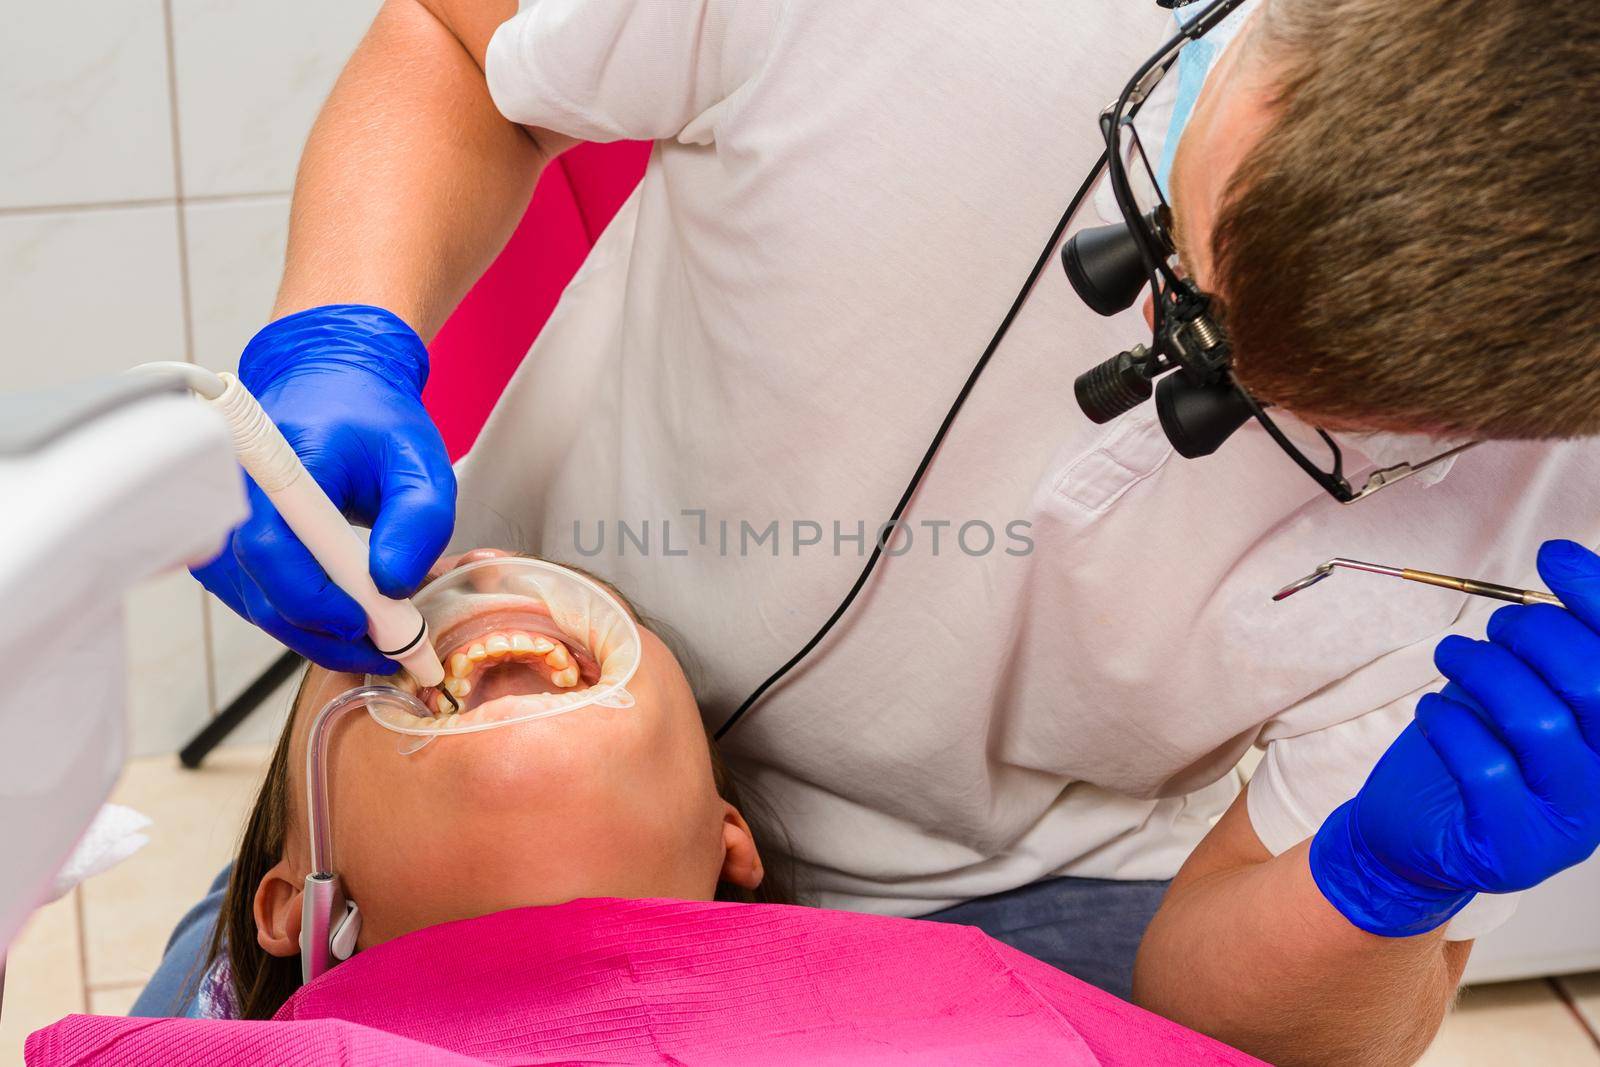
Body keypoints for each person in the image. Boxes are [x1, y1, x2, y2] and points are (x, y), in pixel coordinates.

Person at [183, 0, 1600, 1062]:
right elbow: (456, 35)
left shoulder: (1533, 540)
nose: (1164, 352)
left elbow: (1240, 1020)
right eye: (1169, 252)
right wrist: (340, 322)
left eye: (1264, 408)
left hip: (1036, 895)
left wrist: (1384, 880)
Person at [88, 553, 1262, 1067]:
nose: (483, 574)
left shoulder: (992, 1008)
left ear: (726, 841)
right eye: (366, 660)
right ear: (300, 906)